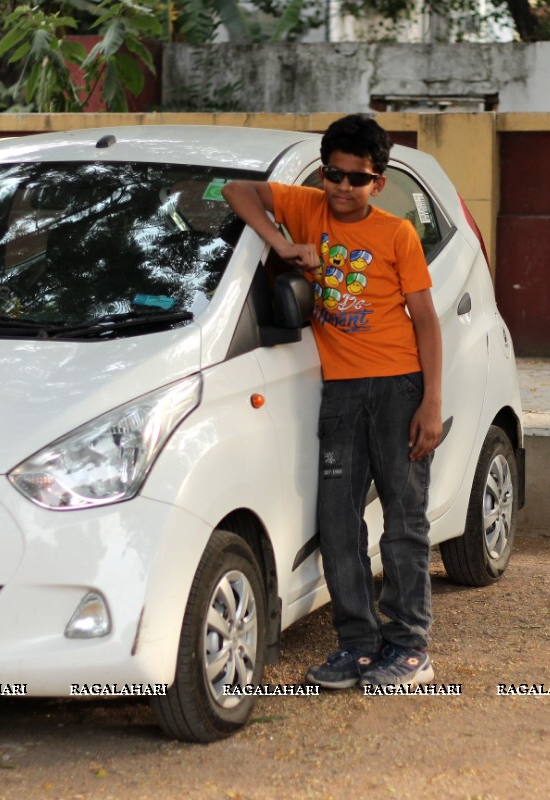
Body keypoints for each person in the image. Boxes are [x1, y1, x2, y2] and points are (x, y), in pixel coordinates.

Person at [222, 114, 443, 688]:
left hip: (399, 388)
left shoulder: (397, 235)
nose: (342, 188)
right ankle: (357, 646)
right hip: (341, 392)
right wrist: (284, 244)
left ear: (379, 181)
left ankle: (409, 646)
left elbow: (426, 321)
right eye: (333, 175)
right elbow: (236, 191)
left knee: (403, 520)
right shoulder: (306, 208)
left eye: (356, 179)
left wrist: (430, 404)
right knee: (339, 522)